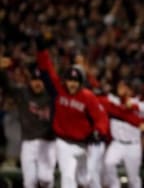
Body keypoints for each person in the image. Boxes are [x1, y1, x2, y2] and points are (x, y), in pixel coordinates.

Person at [36, 43, 110, 188]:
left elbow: (101, 118)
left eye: (76, 81)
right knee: (68, 178)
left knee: (85, 180)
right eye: (70, 80)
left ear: (81, 83)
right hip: (63, 142)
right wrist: (42, 49)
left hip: (84, 144)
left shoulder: (88, 97)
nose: (72, 84)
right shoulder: (58, 90)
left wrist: (98, 131)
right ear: (65, 80)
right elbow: (47, 69)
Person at [0, 58, 56, 188]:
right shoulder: (23, 93)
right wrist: (2, 70)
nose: (37, 83)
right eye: (34, 80)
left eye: (40, 80)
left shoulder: (52, 95)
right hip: (28, 143)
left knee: (45, 179)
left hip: (47, 143)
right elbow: (7, 86)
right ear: (30, 81)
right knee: (29, 182)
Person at [103, 79, 144, 188]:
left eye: (124, 87)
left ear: (130, 90)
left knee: (133, 179)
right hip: (117, 143)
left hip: (133, 145)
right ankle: (114, 185)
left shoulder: (138, 104)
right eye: (119, 86)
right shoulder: (113, 101)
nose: (121, 89)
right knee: (108, 163)